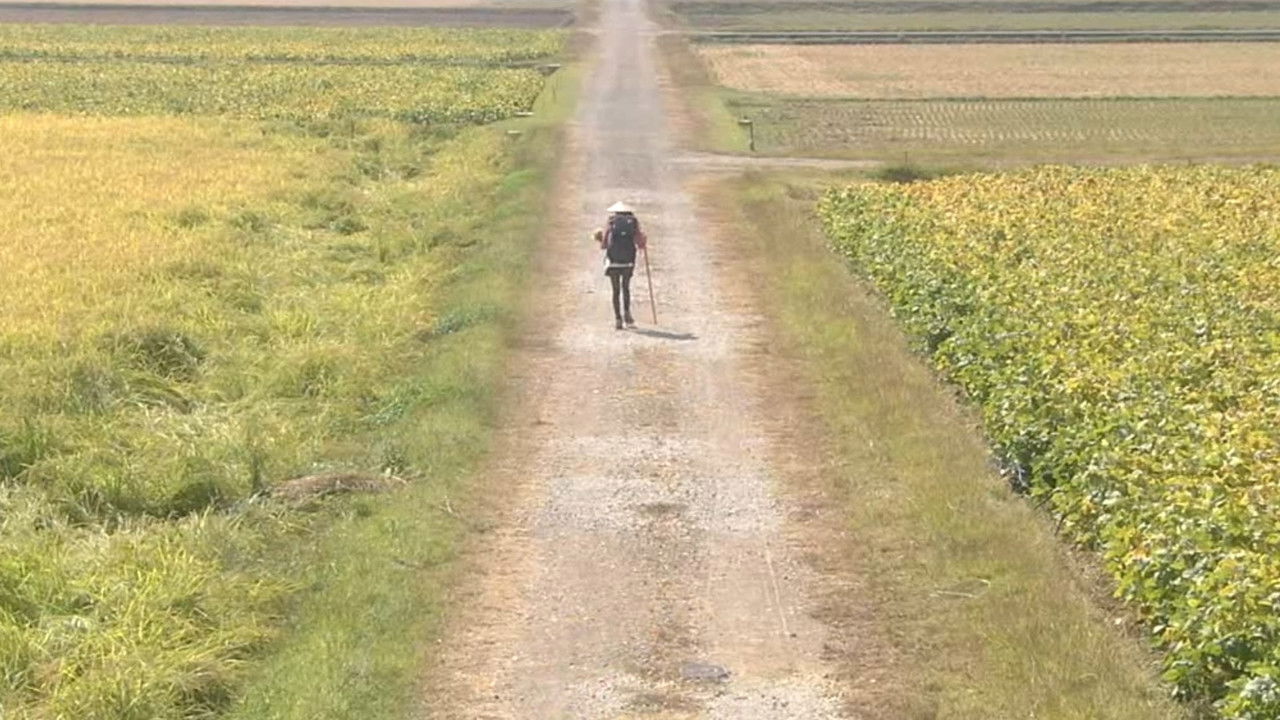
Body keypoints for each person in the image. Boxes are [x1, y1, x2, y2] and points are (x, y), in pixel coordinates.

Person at [593, 201, 647, 330]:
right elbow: (640, 243)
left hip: (613, 262)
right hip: (628, 261)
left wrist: (599, 238)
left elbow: (604, 245)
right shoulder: (633, 222)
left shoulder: (611, 222)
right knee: (626, 288)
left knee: (616, 290)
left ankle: (618, 319)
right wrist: (644, 240)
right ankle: (627, 314)